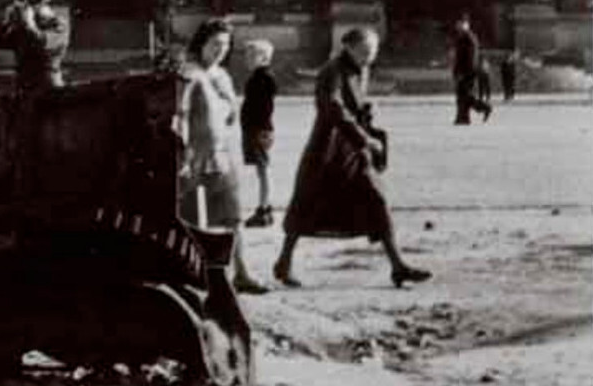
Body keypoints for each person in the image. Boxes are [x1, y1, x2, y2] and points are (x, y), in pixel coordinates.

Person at [272, 28, 431, 290]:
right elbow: (332, 107)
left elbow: (352, 105)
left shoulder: (359, 69)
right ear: (349, 47)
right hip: (328, 148)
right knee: (306, 204)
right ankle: (284, 262)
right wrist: (363, 138)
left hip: (352, 148)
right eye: (366, 51)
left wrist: (366, 113)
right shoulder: (331, 70)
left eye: (374, 51)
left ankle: (398, 266)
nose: (370, 56)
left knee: (376, 197)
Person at [178, 16, 264, 294]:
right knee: (195, 219)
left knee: (233, 216)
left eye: (225, 45)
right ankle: (197, 276)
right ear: (202, 43)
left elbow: (230, 116)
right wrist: (183, 155)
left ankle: (242, 272)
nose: (220, 50)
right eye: (215, 44)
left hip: (223, 154)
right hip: (195, 158)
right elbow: (180, 116)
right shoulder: (189, 74)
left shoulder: (222, 76)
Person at [238, 38, 280, 226]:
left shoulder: (263, 78)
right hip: (256, 128)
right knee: (262, 169)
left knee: (263, 169)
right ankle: (265, 207)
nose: (246, 59)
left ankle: (264, 208)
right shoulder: (259, 77)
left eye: (251, 55)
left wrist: (264, 130)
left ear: (264, 57)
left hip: (258, 129)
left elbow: (266, 107)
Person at [450, 15, 490, 126]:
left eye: (460, 24)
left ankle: (483, 108)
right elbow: (458, 57)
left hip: (467, 72)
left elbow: (470, 58)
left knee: (464, 95)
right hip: (463, 71)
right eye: (457, 24)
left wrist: (464, 72)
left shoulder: (469, 38)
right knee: (462, 95)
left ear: (465, 25)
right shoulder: (461, 37)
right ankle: (463, 118)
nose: (457, 26)